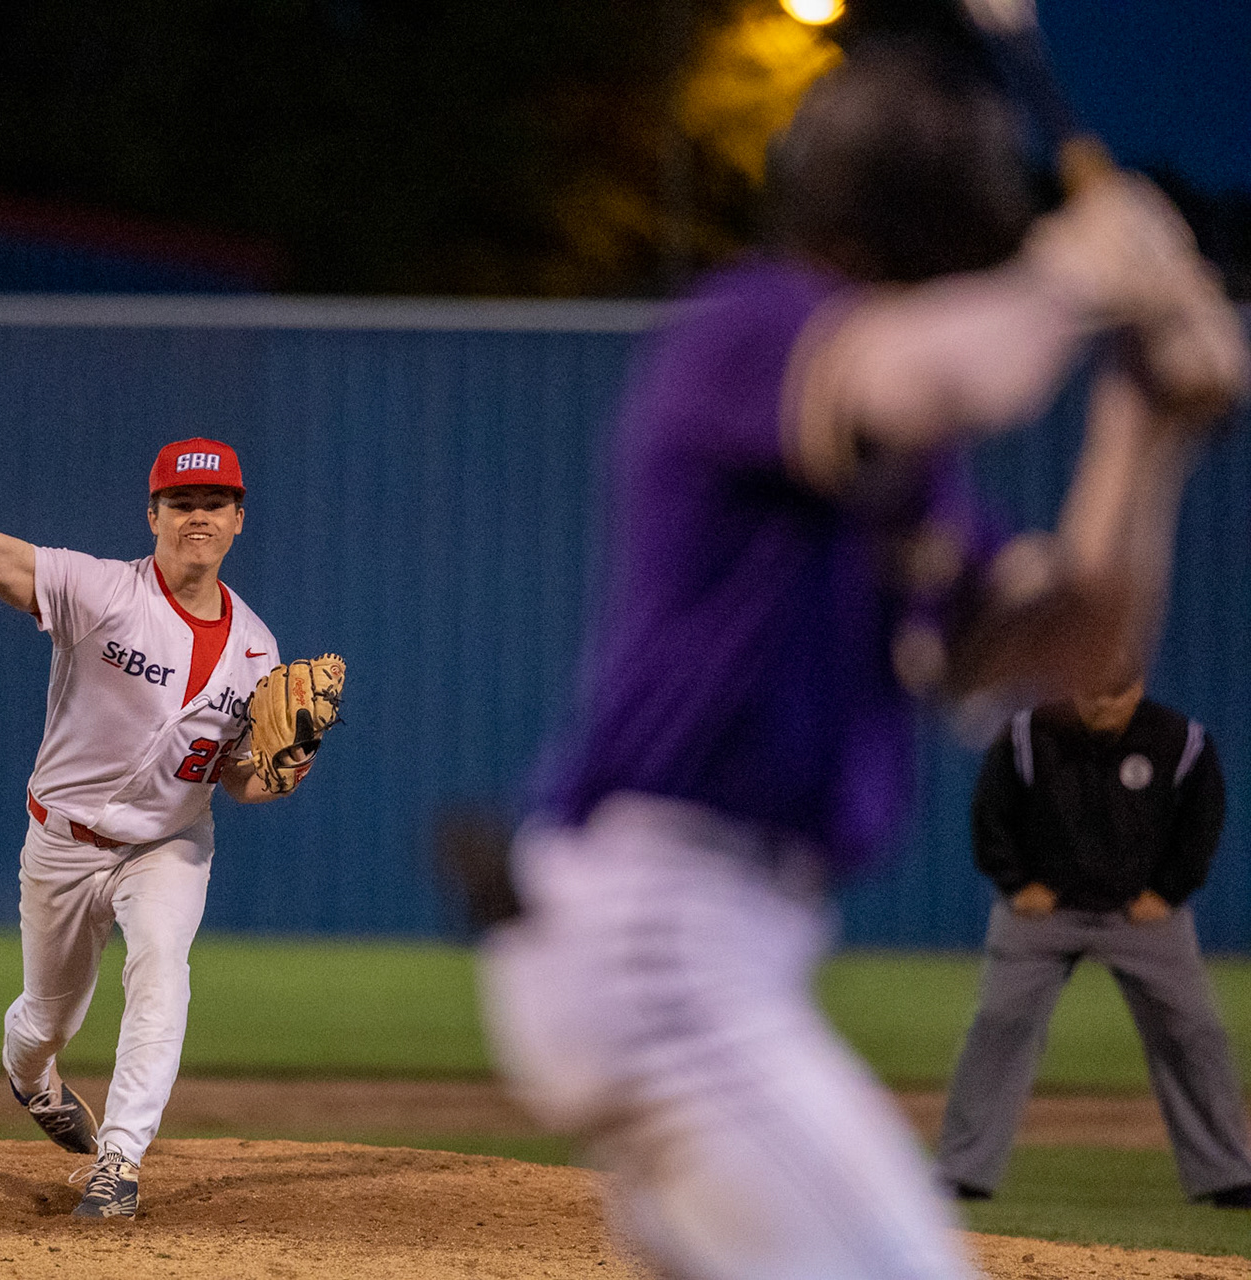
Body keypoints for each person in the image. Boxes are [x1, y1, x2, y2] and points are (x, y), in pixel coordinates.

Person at [478, 36, 1248, 1280]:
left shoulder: (906, 470)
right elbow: (945, 370)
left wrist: (1145, 431)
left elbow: (1065, 648)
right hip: (663, 938)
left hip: (716, 948)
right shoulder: (754, 324)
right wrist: (1083, 270)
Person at [0, 437, 318, 1219]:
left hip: (168, 842)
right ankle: (31, 1076)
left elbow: (236, 779)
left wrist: (282, 772)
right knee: (46, 1018)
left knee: (161, 965)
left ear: (239, 521)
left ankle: (118, 1161)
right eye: (183, 502)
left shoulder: (258, 650)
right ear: (152, 514)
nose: (199, 516)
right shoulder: (101, 592)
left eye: (216, 503)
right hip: (63, 842)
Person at [938, 674, 1251, 1209]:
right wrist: (1016, 883)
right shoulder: (1027, 734)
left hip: (1142, 915)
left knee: (1194, 1031)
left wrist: (1169, 890)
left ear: (1138, 689)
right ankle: (961, 1171)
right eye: (1090, 695)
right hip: (1045, 913)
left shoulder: (1181, 740)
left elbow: (1203, 820)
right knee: (998, 1022)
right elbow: (991, 813)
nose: (1100, 708)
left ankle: (1227, 1175)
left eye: (1113, 697)